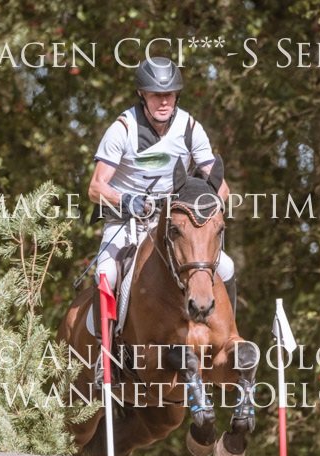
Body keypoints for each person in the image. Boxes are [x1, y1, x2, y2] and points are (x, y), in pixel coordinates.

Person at [87, 57, 237, 378]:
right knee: (106, 273)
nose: (164, 101)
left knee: (226, 266)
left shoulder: (190, 128)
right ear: (142, 95)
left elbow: (221, 188)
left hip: (173, 223)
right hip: (126, 220)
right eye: (156, 95)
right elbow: (96, 187)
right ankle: (105, 355)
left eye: (169, 95)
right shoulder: (123, 129)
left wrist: (203, 215)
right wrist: (127, 199)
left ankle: (225, 339)